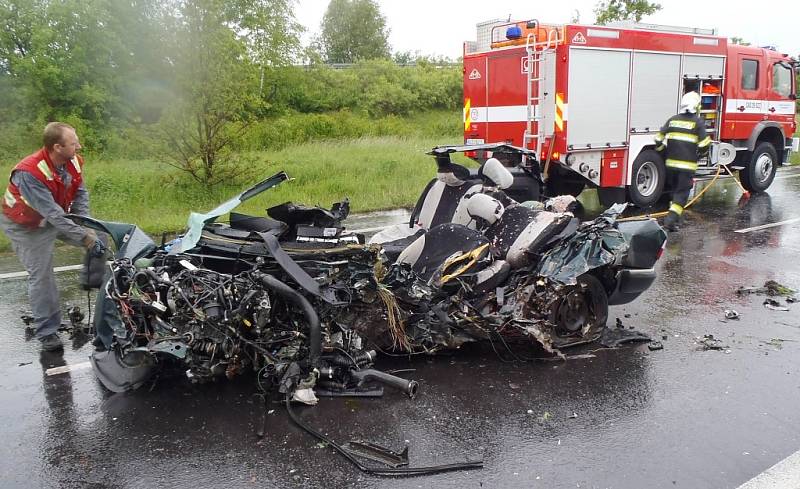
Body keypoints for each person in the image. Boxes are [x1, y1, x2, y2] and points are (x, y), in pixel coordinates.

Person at [1, 122, 103, 351]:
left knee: (101, 239)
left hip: (55, 216)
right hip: (26, 226)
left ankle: (90, 281)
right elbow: (52, 214)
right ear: (57, 147)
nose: (79, 145)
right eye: (74, 142)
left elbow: (80, 193)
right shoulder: (29, 173)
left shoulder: (73, 160)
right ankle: (47, 332)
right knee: (42, 277)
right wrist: (84, 238)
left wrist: (88, 227)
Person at [654, 91, 711, 232]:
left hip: (670, 165)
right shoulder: (697, 123)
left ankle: (676, 219)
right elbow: (705, 145)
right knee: (681, 195)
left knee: (674, 192)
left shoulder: (673, 119)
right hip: (687, 167)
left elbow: (658, 138)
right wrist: (699, 154)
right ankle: (670, 222)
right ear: (696, 106)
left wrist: (663, 151)